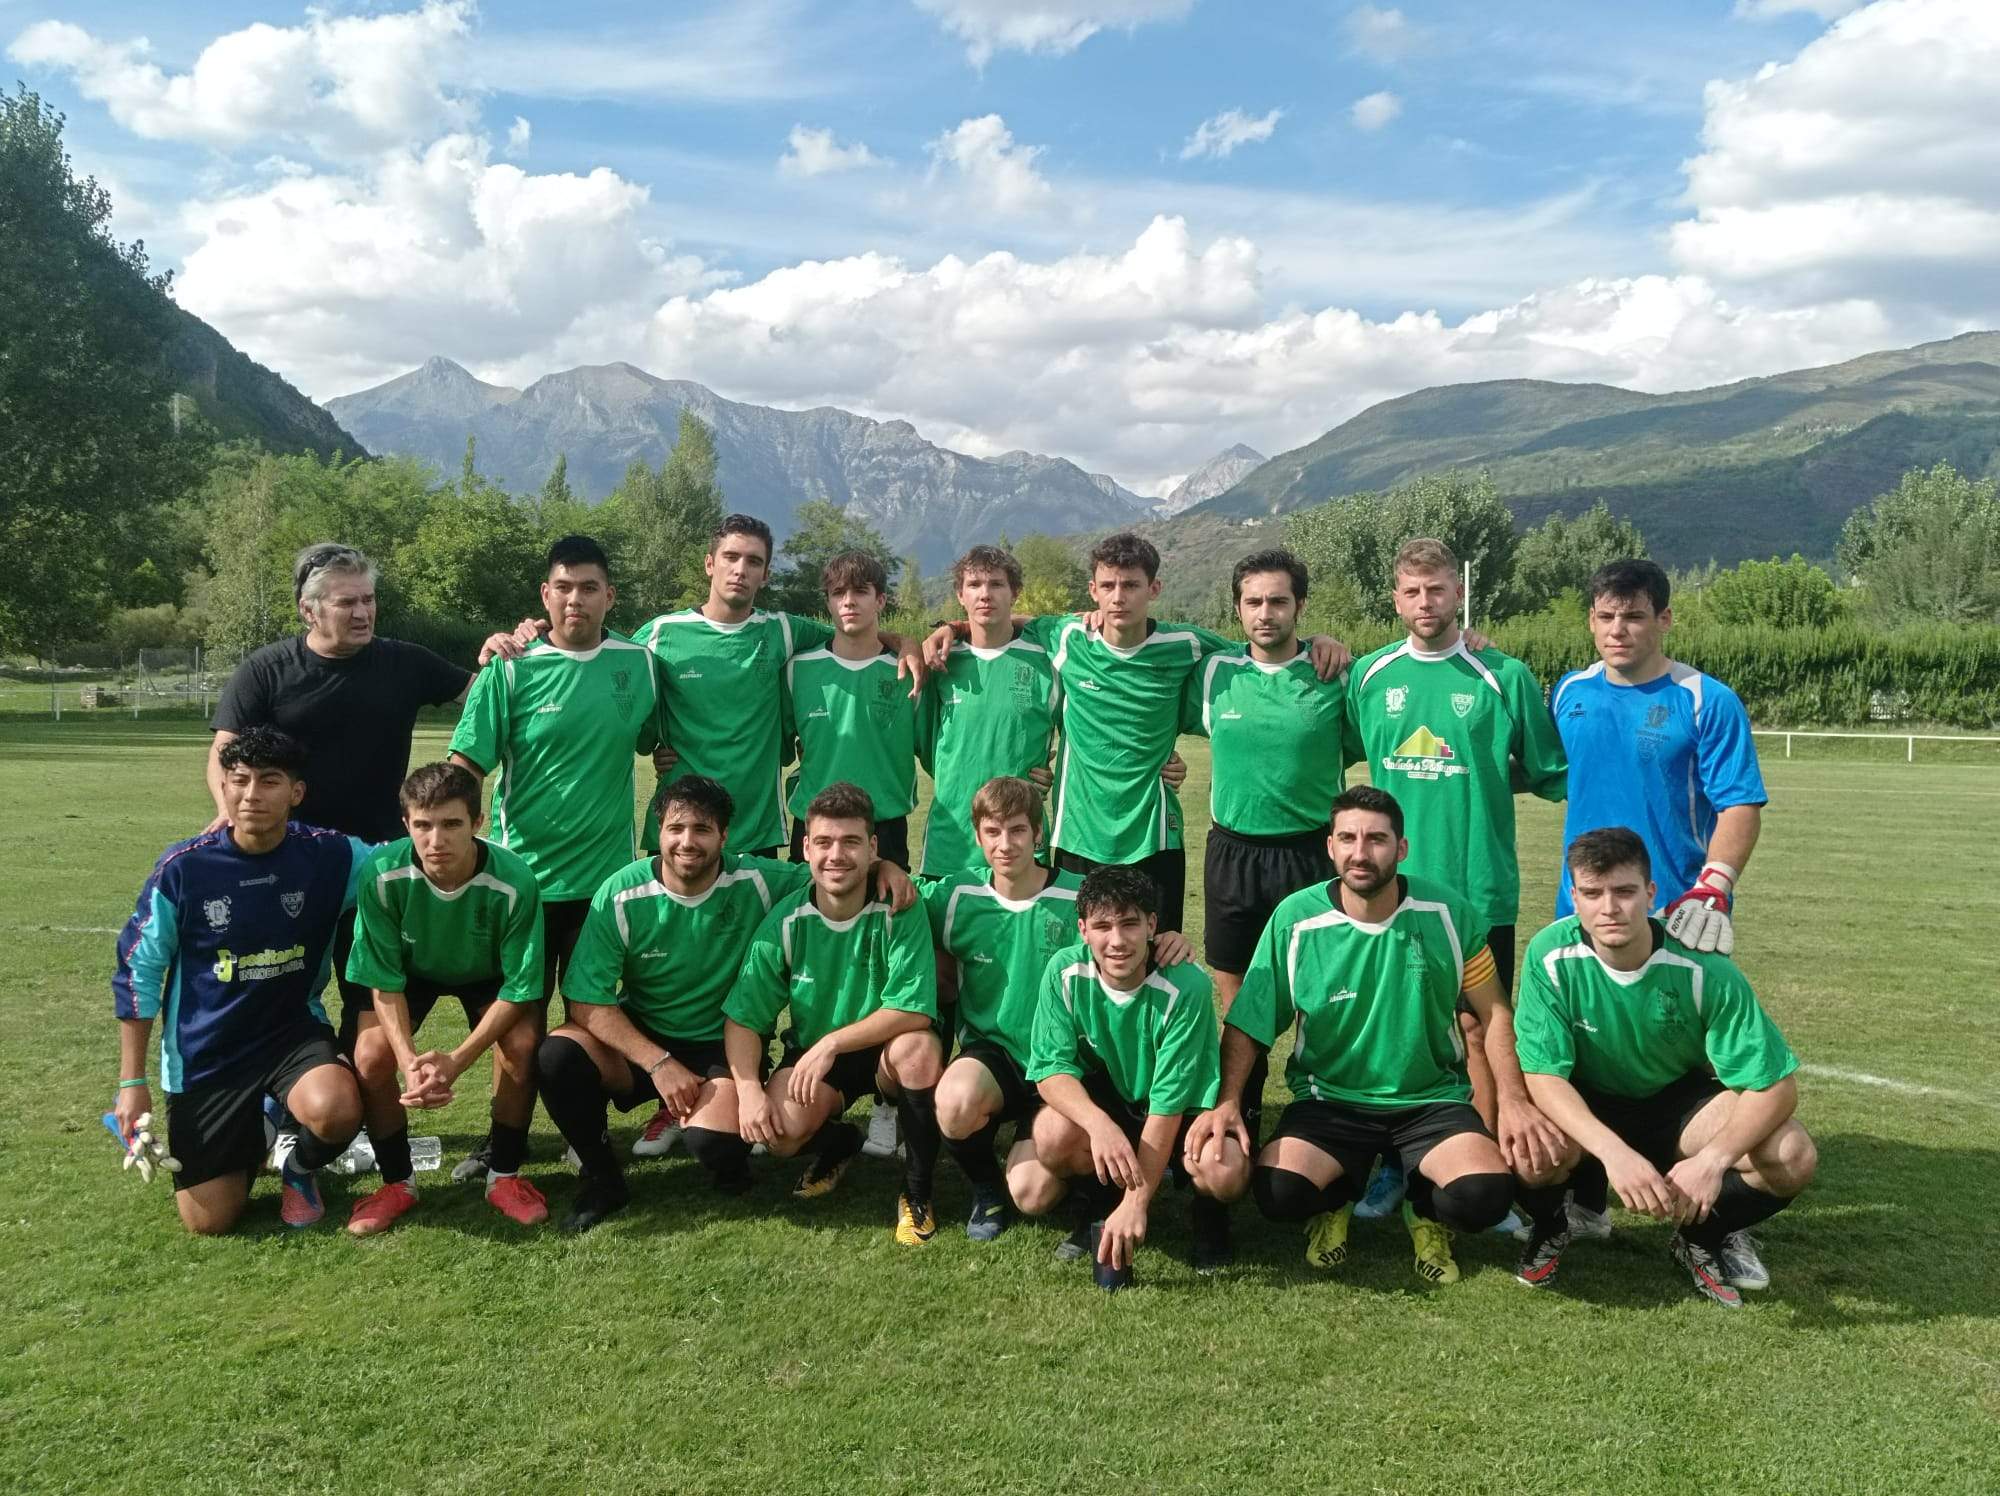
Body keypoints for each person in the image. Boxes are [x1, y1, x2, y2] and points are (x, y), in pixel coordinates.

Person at [1186, 786, 1567, 1286]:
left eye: (1376, 839)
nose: (1360, 853)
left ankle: (1423, 1208)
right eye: (1347, 838)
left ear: (1401, 849)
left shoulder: (1448, 914)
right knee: (1279, 1193)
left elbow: (1494, 1011)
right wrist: (1229, 1101)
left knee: (1484, 1198)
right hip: (1330, 1100)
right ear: (1330, 847)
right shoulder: (1296, 919)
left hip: (1431, 1098)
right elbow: (1249, 1024)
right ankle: (1336, 1200)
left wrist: (1514, 1100)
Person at [537, 775, 916, 1231]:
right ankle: (602, 1178)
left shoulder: (756, 879)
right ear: (657, 832)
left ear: (724, 836)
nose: (687, 842)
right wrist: (658, 1062)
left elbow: (832, 867)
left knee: (714, 1145)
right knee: (557, 1055)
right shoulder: (622, 892)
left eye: (702, 830)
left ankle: (779, 1152)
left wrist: (886, 868)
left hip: (721, 1044)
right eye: (675, 829)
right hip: (641, 1043)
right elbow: (584, 999)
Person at [925, 531, 1345, 933]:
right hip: (1078, 837)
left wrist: (1316, 641)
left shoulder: (1188, 645)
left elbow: (1261, 647)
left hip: (1154, 838)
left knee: (1156, 958)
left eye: (1130, 585)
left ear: (1154, 589)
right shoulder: (1068, 636)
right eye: (1108, 585)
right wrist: (952, 627)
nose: (1118, 597)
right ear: (1093, 590)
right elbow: (995, 621)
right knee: (1082, 959)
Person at [1343, 537, 1567, 1223]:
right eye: (1412, 591)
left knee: (1478, 1031)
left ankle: (1482, 1165)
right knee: (1398, 1031)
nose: (1425, 602)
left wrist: (1491, 780)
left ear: (1458, 592)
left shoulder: (1505, 676)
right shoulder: (1370, 676)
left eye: (1437, 589)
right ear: (1395, 598)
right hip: (1389, 891)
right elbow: (1351, 752)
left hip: (1478, 889)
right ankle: (1390, 1166)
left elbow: (1547, 769)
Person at [1549, 557, 1768, 1238]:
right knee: (1583, 1056)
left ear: (1664, 619)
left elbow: (1739, 803)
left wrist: (1717, 884)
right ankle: (1585, 1201)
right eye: (1606, 616)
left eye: (1635, 615)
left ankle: (1711, 1219)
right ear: (1590, 620)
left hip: (1678, 914)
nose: (1619, 629)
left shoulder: (1706, 699)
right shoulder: (1568, 692)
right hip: (1583, 909)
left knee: (1691, 1065)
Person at [1510, 828, 1816, 1307]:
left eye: (1624, 891)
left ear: (1650, 894)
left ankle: (1701, 1236)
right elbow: (1545, 1077)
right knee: (1528, 1148)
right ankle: (1553, 1226)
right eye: (1592, 893)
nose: (1608, 907)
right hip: (1587, 1098)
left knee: (1792, 1153)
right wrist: (1615, 1154)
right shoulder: (1549, 955)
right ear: (1574, 897)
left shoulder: (1702, 965)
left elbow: (1775, 1086)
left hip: (1676, 1102)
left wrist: (1711, 1161)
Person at [446, 534, 662, 1180]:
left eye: (589, 587)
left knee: (590, 1016)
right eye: (563, 588)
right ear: (545, 595)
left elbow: (662, 744)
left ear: (609, 596)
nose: (576, 599)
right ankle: (501, 1146)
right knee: (519, 1026)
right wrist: (461, 858)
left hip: (605, 885)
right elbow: (465, 768)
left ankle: (581, 1131)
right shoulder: (508, 669)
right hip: (524, 883)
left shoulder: (640, 665)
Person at [208, 544, 471, 1056]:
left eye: (368, 600)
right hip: (290, 861)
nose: (363, 612)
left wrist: (517, 647)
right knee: (280, 987)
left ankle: (356, 1119)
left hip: (376, 863)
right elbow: (225, 751)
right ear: (309, 610)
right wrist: (229, 810)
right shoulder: (267, 670)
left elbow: (487, 696)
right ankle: (288, 1109)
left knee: (370, 995)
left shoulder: (404, 662)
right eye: (347, 603)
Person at [113, 726, 370, 1234]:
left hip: (290, 1033)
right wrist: (131, 1083)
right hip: (208, 1051)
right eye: (240, 780)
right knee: (208, 1221)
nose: (252, 795)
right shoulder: (184, 869)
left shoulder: (333, 855)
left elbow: (407, 863)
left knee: (336, 1110)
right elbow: (137, 971)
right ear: (224, 787)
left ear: (295, 793)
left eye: (269, 781)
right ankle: (263, 1123)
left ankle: (298, 1164)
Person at [1183, 549, 1352, 1153]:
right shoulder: (1214, 672)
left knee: (1322, 1002)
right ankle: (1239, 1128)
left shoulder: (1335, 675)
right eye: (1253, 601)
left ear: (1300, 607)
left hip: (1310, 856)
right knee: (1239, 1009)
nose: (1265, 612)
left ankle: (1328, 1132)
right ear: (1236, 608)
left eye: (1278, 601)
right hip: (1233, 855)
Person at [722, 783, 944, 1244]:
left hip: (885, 1051)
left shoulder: (899, 906)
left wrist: (833, 1043)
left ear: (874, 848)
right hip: (817, 1057)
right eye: (823, 842)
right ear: (805, 847)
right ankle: (840, 1141)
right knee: (778, 1133)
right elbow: (744, 1017)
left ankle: (918, 1193)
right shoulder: (787, 919)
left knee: (919, 1049)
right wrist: (747, 1088)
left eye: (851, 842)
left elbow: (913, 1010)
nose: (836, 855)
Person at [1014, 867, 1247, 1286]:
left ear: (1153, 925)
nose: (1117, 941)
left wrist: (1138, 1201)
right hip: (1115, 1100)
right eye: (1102, 926)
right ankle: (1096, 1205)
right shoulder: (1063, 971)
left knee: (1223, 1167)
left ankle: (1208, 1218)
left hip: (1178, 1111)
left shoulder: (1187, 986)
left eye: (1129, 924)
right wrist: (1098, 1124)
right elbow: (1050, 1071)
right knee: (1050, 1133)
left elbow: (1168, 1103)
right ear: (1082, 929)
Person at [342, 763, 548, 1234]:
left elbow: (518, 989)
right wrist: (409, 1061)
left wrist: (455, 1060)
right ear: (406, 825)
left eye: (452, 824)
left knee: (520, 1046)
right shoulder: (381, 874)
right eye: (423, 825)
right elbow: (383, 980)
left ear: (478, 823)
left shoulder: (514, 881)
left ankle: (504, 1176)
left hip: (487, 975)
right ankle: (397, 1183)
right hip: (411, 974)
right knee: (371, 1057)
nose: (436, 840)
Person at [915, 546, 1061, 877]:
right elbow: (928, 749)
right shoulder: (940, 663)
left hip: (1022, 840)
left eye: (996, 584)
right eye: (974, 585)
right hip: (951, 840)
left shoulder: (1047, 663)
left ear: (1015, 593)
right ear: (959, 594)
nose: (985, 594)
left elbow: (1082, 734)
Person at [783, 552, 920, 870]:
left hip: (884, 827)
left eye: (860, 591)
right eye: (838, 593)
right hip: (813, 826)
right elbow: (772, 745)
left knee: (885, 918)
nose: (849, 602)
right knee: (811, 916)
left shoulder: (909, 671)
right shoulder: (798, 669)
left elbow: (945, 752)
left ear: (881, 600)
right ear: (828, 602)